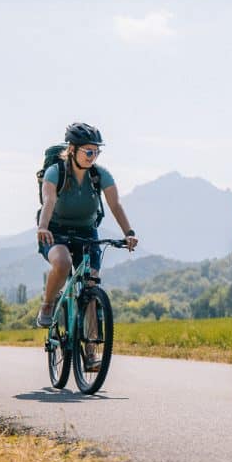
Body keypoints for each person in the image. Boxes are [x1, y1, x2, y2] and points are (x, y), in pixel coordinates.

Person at [36, 122, 138, 328]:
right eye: (88, 151)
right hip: (55, 231)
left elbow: (115, 205)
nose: (93, 157)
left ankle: (91, 349)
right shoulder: (56, 172)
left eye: (96, 152)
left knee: (91, 284)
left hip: (86, 231)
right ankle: (47, 304)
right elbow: (49, 201)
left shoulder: (100, 175)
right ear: (72, 149)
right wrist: (43, 227)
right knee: (63, 263)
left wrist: (129, 232)